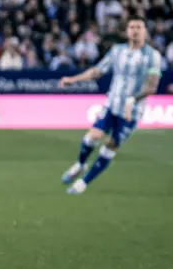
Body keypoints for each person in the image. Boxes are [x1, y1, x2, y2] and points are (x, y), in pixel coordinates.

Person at [60, 18, 162, 194]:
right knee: (92, 136)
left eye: (139, 27)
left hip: (132, 112)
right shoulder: (117, 51)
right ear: (126, 31)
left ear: (145, 31)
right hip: (111, 105)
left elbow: (151, 86)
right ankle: (80, 164)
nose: (135, 30)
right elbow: (98, 71)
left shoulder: (152, 56)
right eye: (132, 27)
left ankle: (83, 183)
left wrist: (132, 99)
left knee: (111, 144)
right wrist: (73, 79)